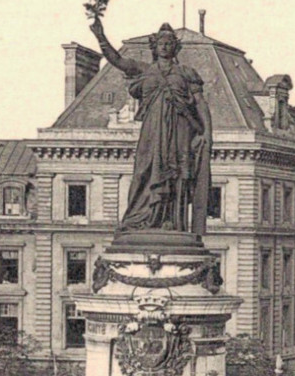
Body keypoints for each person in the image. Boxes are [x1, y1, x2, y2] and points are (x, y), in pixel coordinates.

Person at [89, 17, 212, 236]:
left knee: (176, 176)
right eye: (161, 43)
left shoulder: (186, 73)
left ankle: (172, 223)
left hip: (180, 130)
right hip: (152, 131)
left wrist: (206, 134)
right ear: (154, 47)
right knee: (144, 170)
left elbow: (201, 104)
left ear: (175, 47)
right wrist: (100, 37)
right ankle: (140, 218)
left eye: (169, 43)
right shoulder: (144, 70)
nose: (165, 46)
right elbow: (117, 60)